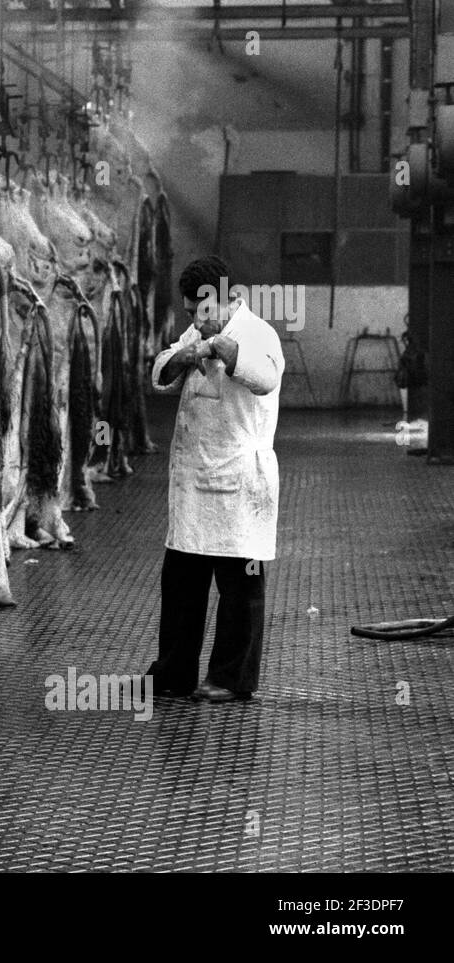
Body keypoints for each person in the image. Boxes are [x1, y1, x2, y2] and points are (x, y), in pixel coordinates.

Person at [147, 256, 284, 702]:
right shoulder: (196, 331)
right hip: (194, 484)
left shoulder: (258, 333)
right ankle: (172, 673)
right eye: (189, 312)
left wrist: (222, 349)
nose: (193, 319)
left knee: (240, 586)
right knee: (181, 582)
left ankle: (229, 678)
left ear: (230, 299)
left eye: (199, 311)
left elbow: (265, 378)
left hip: (239, 484)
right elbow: (160, 373)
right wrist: (187, 352)